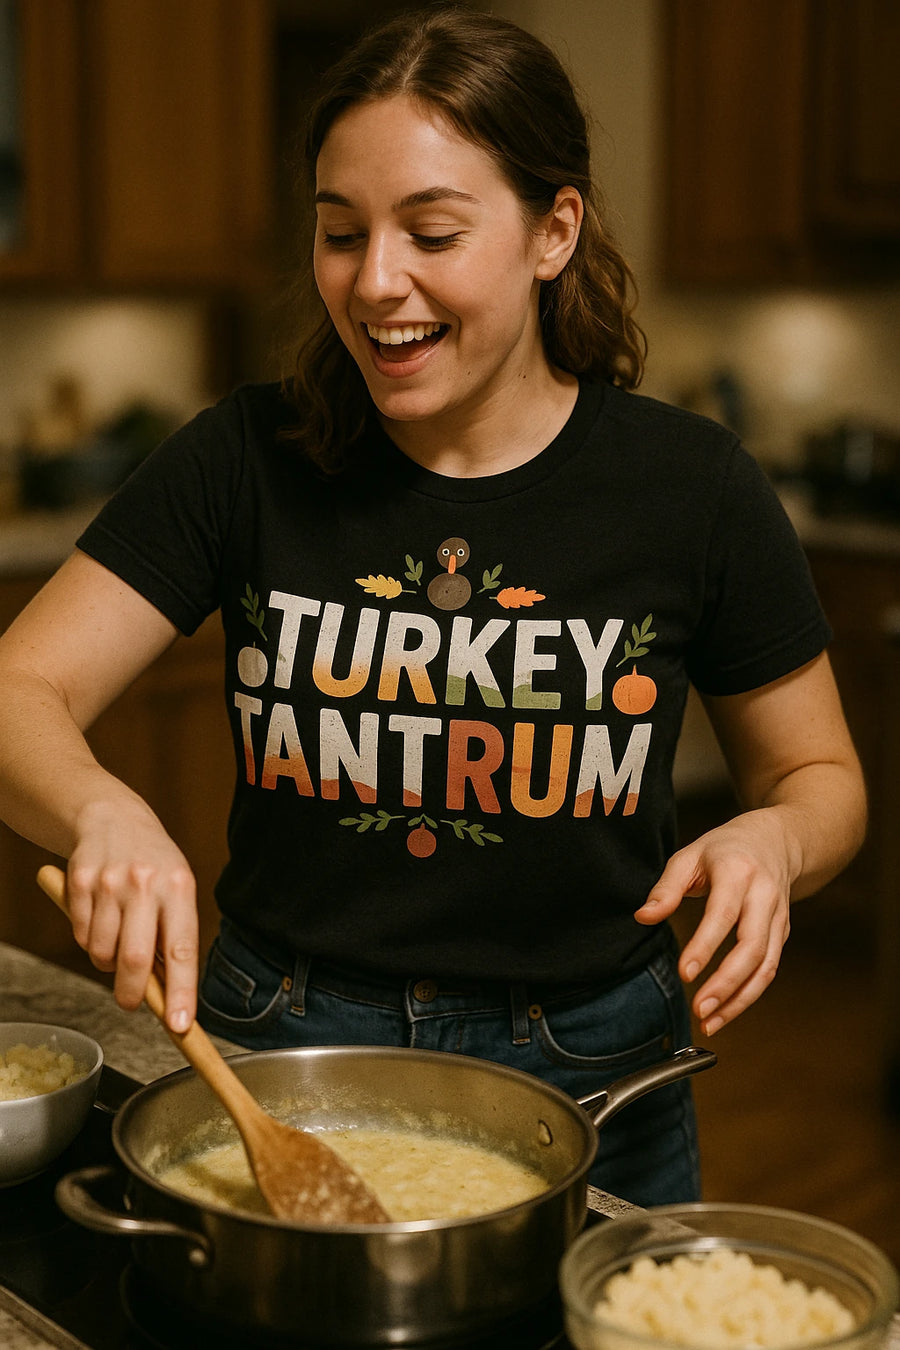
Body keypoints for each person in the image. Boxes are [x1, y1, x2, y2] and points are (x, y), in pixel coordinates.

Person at [0, 6, 865, 1207]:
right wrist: (101, 811)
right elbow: (17, 690)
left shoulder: (692, 486)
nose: (376, 283)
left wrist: (778, 836)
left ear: (554, 229)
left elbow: (824, 781)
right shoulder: (245, 458)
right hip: (277, 1050)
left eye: (433, 232)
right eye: (340, 233)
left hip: (597, 1071)